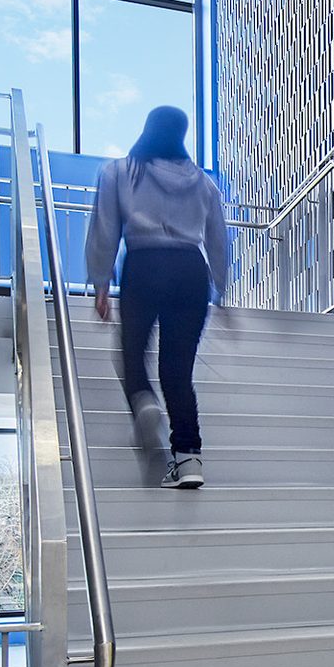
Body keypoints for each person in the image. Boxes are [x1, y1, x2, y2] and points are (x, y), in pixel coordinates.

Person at [84, 104, 229, 489]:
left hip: (145, 265)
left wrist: (100, 282)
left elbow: (104, 228)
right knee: (178, 371)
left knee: (133, 353)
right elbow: (218, 240)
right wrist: (221, 287)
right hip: (191, 271)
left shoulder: (120, 171)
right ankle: (189, 459)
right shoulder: (203, 182)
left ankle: (144, 402)